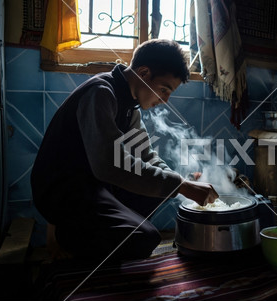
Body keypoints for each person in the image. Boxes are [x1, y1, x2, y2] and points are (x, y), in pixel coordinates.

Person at [31, 39, 219, 262]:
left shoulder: (130, 107)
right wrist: (181, 185)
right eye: (163, 89)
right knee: (145, 239)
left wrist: (180, 183)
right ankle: (64, 234)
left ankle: (96, 229)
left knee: (163, 189)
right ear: (143, 72)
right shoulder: (101, 93)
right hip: (63, 191)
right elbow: (109, 166)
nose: (165, 100)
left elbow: (146, 155)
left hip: (93, 187)